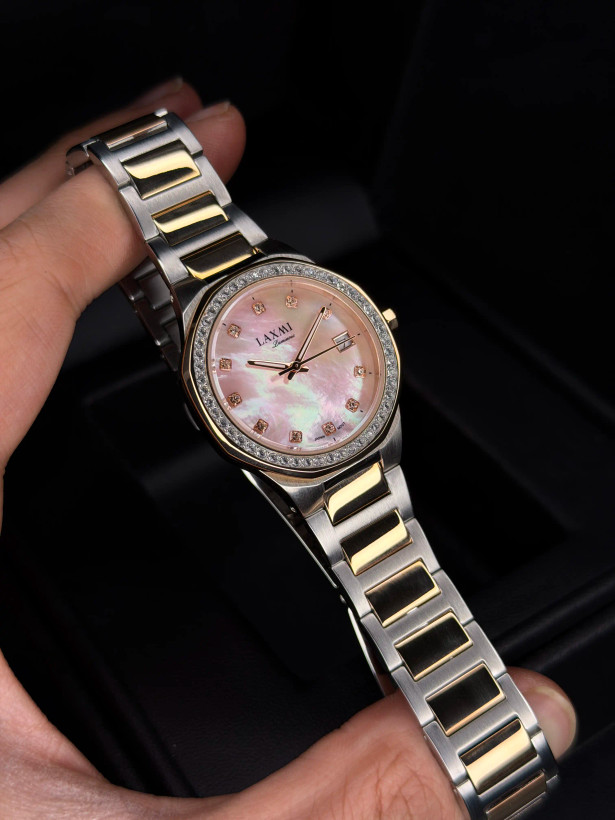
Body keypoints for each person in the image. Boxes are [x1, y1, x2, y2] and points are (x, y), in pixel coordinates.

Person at [0, 78, 577, 819]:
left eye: (301, 354)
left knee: (385, 569)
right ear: (207, 399)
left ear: (372, 323)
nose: (294, 364)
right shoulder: (229, 348)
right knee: (379, 568)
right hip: (299, 451)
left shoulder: (314, 317)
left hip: (349, 432)